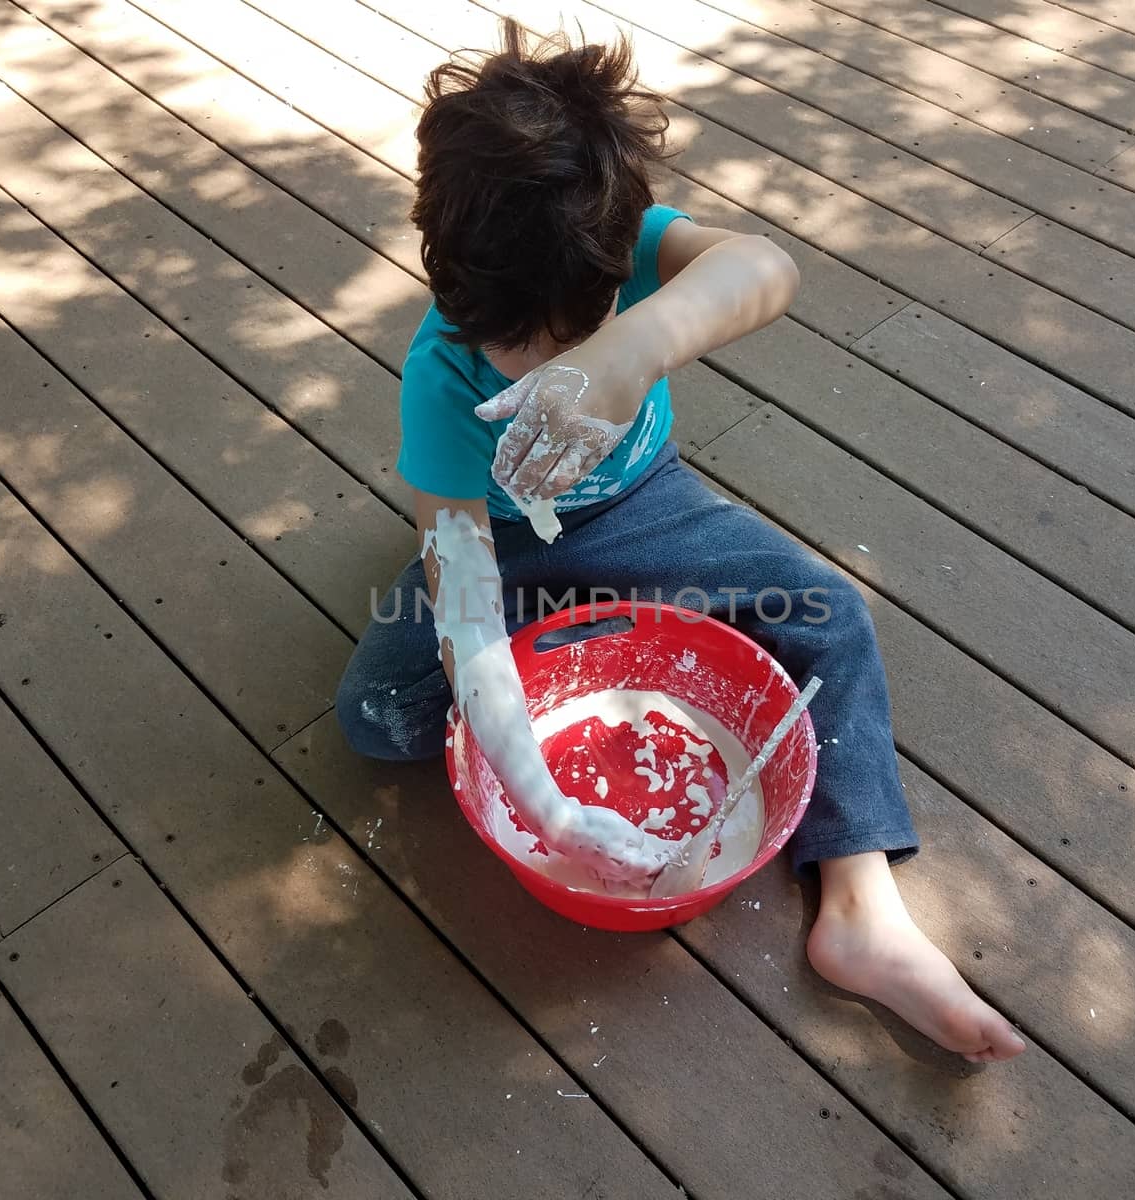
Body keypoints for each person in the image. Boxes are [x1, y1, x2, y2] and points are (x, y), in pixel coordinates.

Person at [337, 19, 1024, 1064]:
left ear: (616, 276)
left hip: (646, 510)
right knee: (378, 719)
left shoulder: (639, 251)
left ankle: (860, 912)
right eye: (503, 347)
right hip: (508, 554)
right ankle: (586, 637)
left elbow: (766, 268)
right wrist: (552, 814)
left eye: (562, 347)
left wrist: (633, 349)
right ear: (447, 278)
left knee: (829, 617)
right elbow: (467, 608)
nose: (528, 370)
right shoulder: (440, 378)